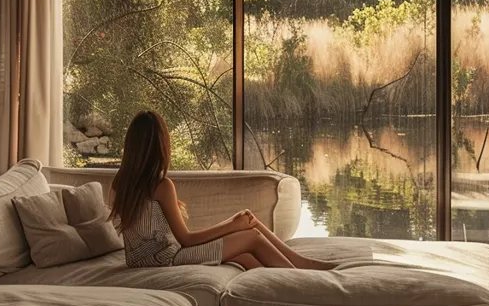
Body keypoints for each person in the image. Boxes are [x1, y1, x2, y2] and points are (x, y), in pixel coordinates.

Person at [109, 110, 335, 271]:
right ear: (161, 146)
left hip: (145, 259)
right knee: (251, 236)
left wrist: (233, 224)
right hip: (168, 259)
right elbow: (186, 240)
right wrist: (231, 226)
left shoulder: (121, 183)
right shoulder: (160, 185)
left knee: (246, 250)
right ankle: (302, 276)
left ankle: (296, 267)